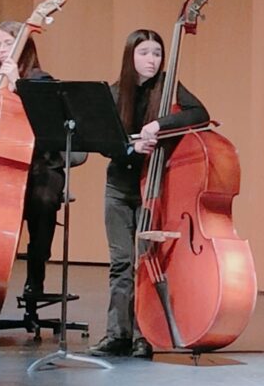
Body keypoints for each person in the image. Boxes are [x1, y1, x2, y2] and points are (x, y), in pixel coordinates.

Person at [88, 29, 209, 359]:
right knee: (121, 263)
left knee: (146, 262)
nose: (151, 60)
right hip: (118, 188)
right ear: (131, 57)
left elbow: (200, 114)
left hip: (152, 189)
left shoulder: (167, 86)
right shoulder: (116, 92)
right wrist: (132, 147)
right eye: (144, 53)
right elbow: (104, 143)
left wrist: (159, 125)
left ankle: (145, 335)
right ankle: (117, 335)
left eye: (157, 53)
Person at [0, 21, 66, 299]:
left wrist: (16, 84)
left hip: (40, 165)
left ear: (25, 45)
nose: (3, 50)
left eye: (9, 43)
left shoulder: (41, 81)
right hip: (1, 166)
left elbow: (45, 124)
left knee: (42, 201)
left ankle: (36, 275)